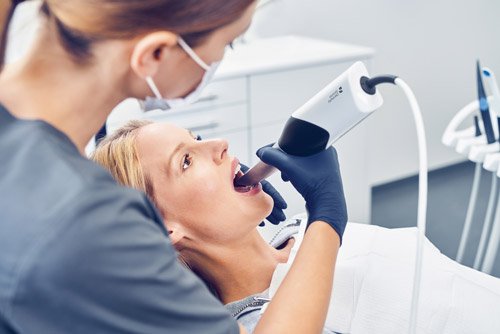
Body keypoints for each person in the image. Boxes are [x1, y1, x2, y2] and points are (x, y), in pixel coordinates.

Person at [0, 1, 348, 333]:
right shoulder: (78, 221)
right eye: (228, 43)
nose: (222, 145)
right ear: (155, 54)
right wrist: (327, 218)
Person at [92, 120, 500, 334]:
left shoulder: (295, 236)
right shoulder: (263, 321)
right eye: (186, 160)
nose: (218, 145)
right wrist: (327, 216)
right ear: (164, 230)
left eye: (197, 137)